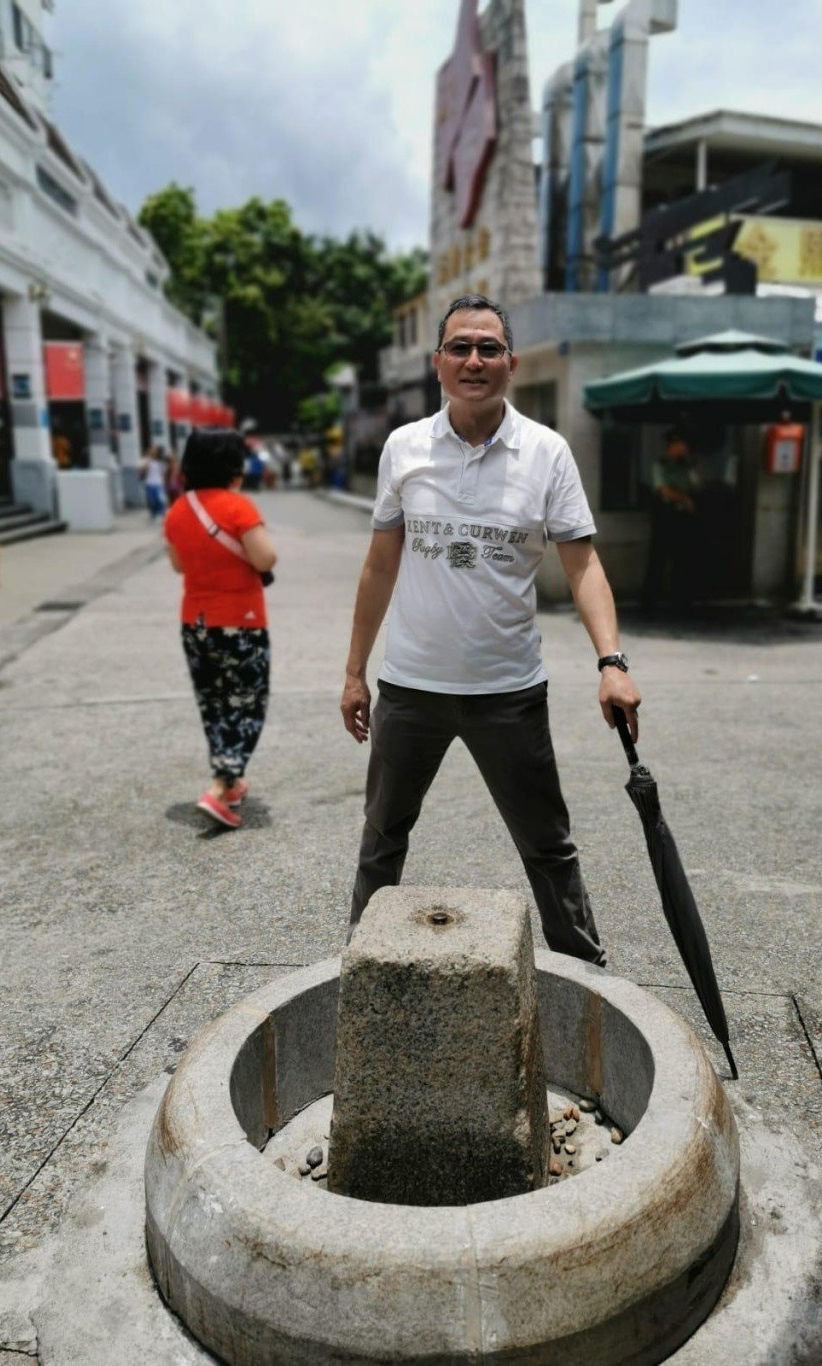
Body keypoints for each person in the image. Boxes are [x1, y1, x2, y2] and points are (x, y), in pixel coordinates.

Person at [340, 293, 641, 964]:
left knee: (549, 845)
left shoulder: (547, 453)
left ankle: (583, 975)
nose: (474, 360)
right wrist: (355, 671)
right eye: (461, 348)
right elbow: (380, 563)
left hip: (508, 691)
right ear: (437, 362)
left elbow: (583, 562)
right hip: (411, 688)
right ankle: (358, 966)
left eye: (489, 348)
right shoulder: (404, 448)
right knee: (382, 836)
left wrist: (611, 661)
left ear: (510, 363)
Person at [164, 428, 277, 829]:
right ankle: (218, 787)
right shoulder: (238, 508)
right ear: (234, 467)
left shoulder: (178, 510)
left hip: (195, 624)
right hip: (241, 623)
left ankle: (229, 781)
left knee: (213, 703)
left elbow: (179, 565)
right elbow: (265, 558)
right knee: (246, 703)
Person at [643, 428, 698, 609]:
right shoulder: (661, 465)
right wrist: (684, 499)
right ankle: (650, 600)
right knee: (658, 557)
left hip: (682, 517)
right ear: (672, 446)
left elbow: (695, 485)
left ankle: (680, 600)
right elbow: (663, 489)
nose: (684, 448)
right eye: (681, 445)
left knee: (682, 558)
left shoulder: (685, 466)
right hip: (665, 515)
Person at [141, 445, 168, 520]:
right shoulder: (147, 460)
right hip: (149, 483)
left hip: (158, 483)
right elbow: (142, 470)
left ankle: (161, 513)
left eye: (155, 450)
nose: (153, 452)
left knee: (160, 499)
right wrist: (148, 460)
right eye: (152, 450)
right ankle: (153, 514)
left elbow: (164, 472)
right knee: (151, 500)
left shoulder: (161, 462)